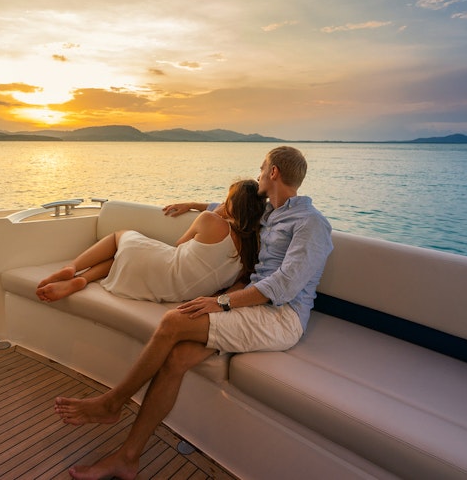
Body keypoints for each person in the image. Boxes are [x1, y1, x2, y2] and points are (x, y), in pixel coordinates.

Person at [56, 146, 333, 480]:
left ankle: (111, 403)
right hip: (254, 308)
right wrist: (194, 205)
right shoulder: (271, 214)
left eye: (261, 169)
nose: (258, 174)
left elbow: (284, 287)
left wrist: (223, 302)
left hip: (280, 318)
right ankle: (127, 458)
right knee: (176, 359)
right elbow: (230, 208)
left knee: (174, 320)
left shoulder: (311, 224)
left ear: (273, 173)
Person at [35, 179, 265, 303]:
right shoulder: (253, 248)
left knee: (120, 236)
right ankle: (81, 280)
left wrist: (200, 208)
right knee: (123, 256)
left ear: (231, 204)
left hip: (165, 271)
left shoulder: (209, 220)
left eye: (227, 199)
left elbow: (179, 245)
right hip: (180, 292)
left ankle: (71, 268)